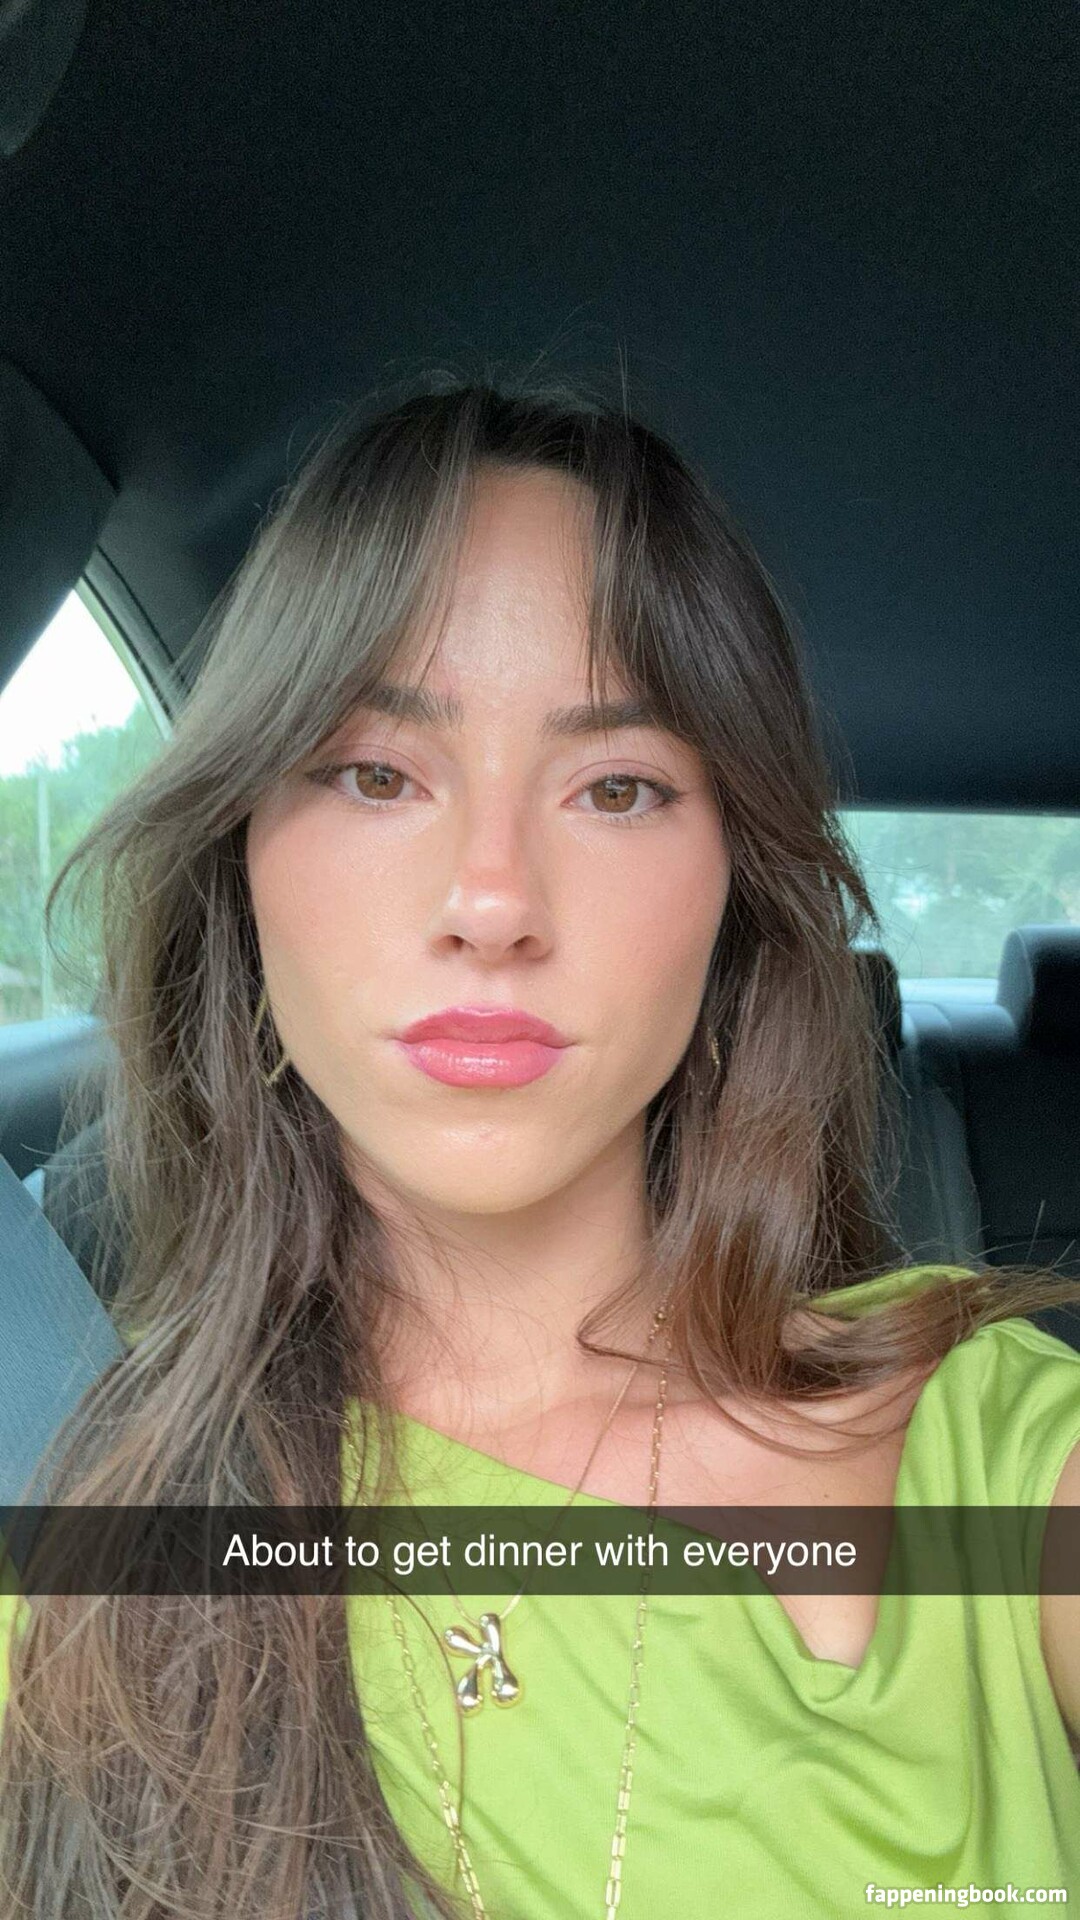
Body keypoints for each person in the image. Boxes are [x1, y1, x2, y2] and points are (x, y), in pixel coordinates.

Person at [1, 376, 1079, 1919]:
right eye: (376, 773)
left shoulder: (998, 1447)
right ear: (242, 864)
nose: (494, 898)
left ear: (734, 894)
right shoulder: (91, 1562)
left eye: (617, 787)